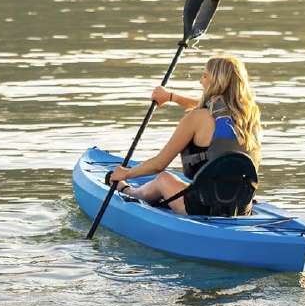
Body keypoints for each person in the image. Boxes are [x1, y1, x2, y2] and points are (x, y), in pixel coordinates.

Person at [105, 55, 262, 215]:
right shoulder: (250, 117)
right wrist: (171, 97)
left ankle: (129, 191)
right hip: (242, 206)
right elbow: (213, 110)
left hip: (202, 207)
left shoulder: (196, 118)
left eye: (205, 75)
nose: (201, 81)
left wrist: (126, 173)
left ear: (216, 81)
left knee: (164, 179)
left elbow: (159, 164)